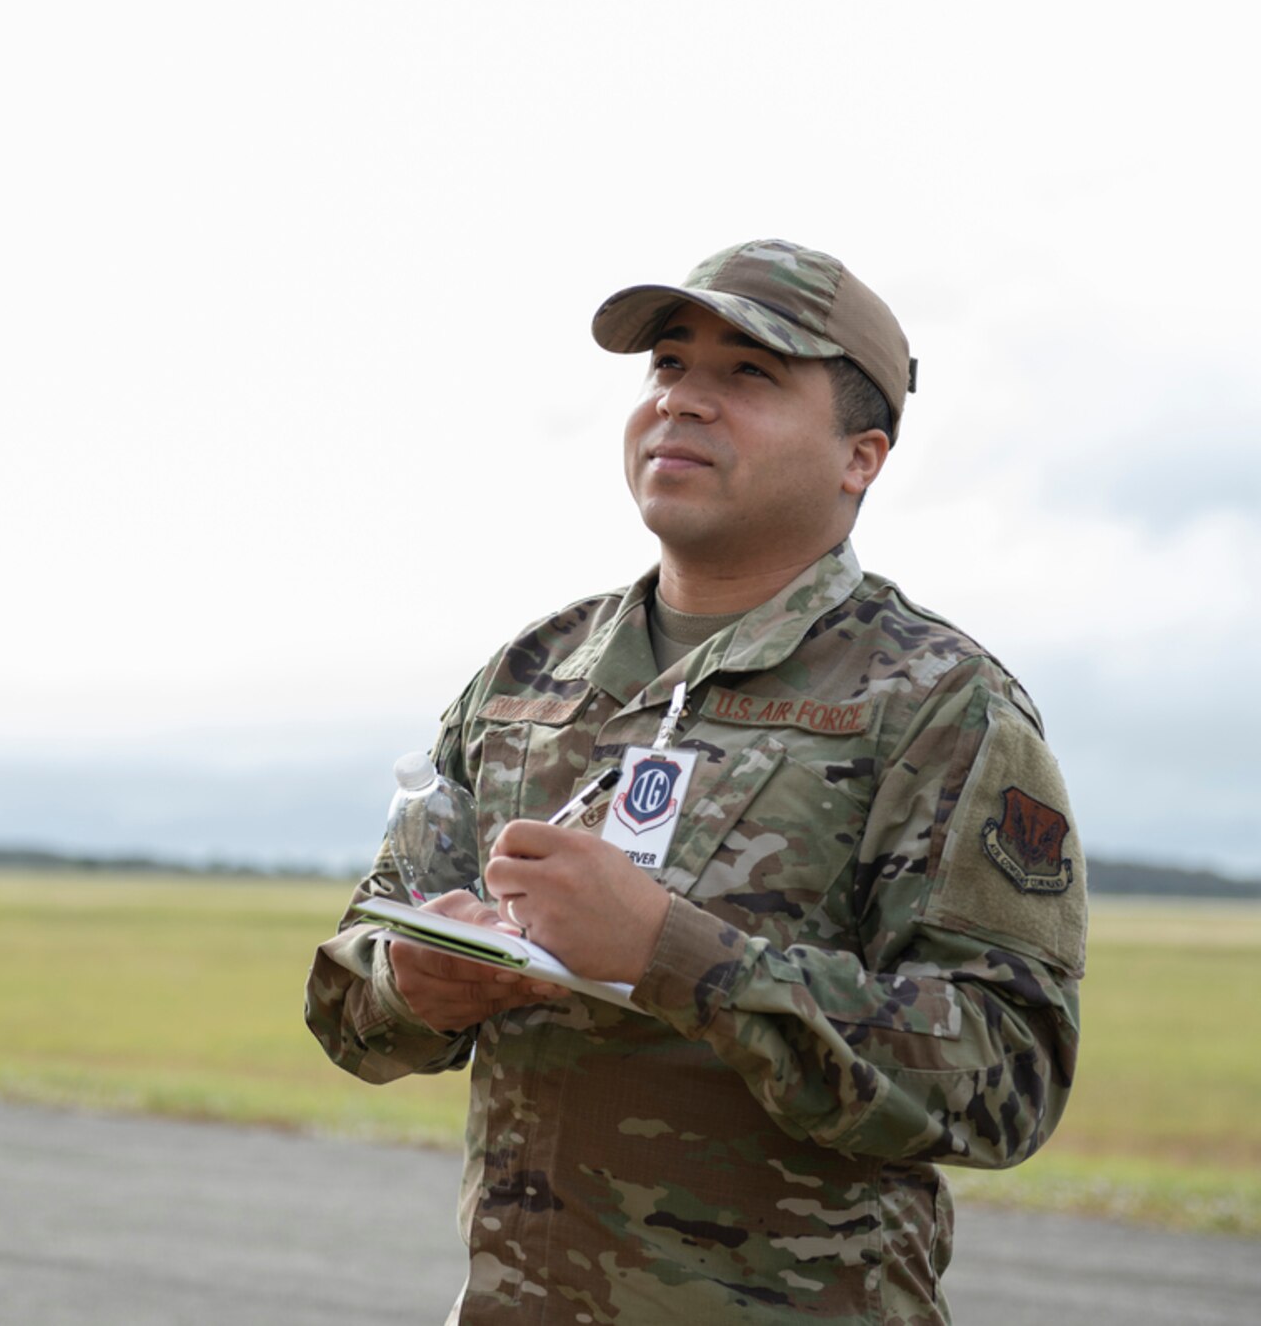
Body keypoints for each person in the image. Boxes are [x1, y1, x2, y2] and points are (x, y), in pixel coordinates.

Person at [304, 240, 1086, 1324]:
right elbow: (349, 998)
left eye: (748, 375)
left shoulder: (935, 702)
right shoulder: (532, 676)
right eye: (666, 366)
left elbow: (1007, 1074)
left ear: (859, 456)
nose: (682, 401)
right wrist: (411, 980)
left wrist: (679, 957)